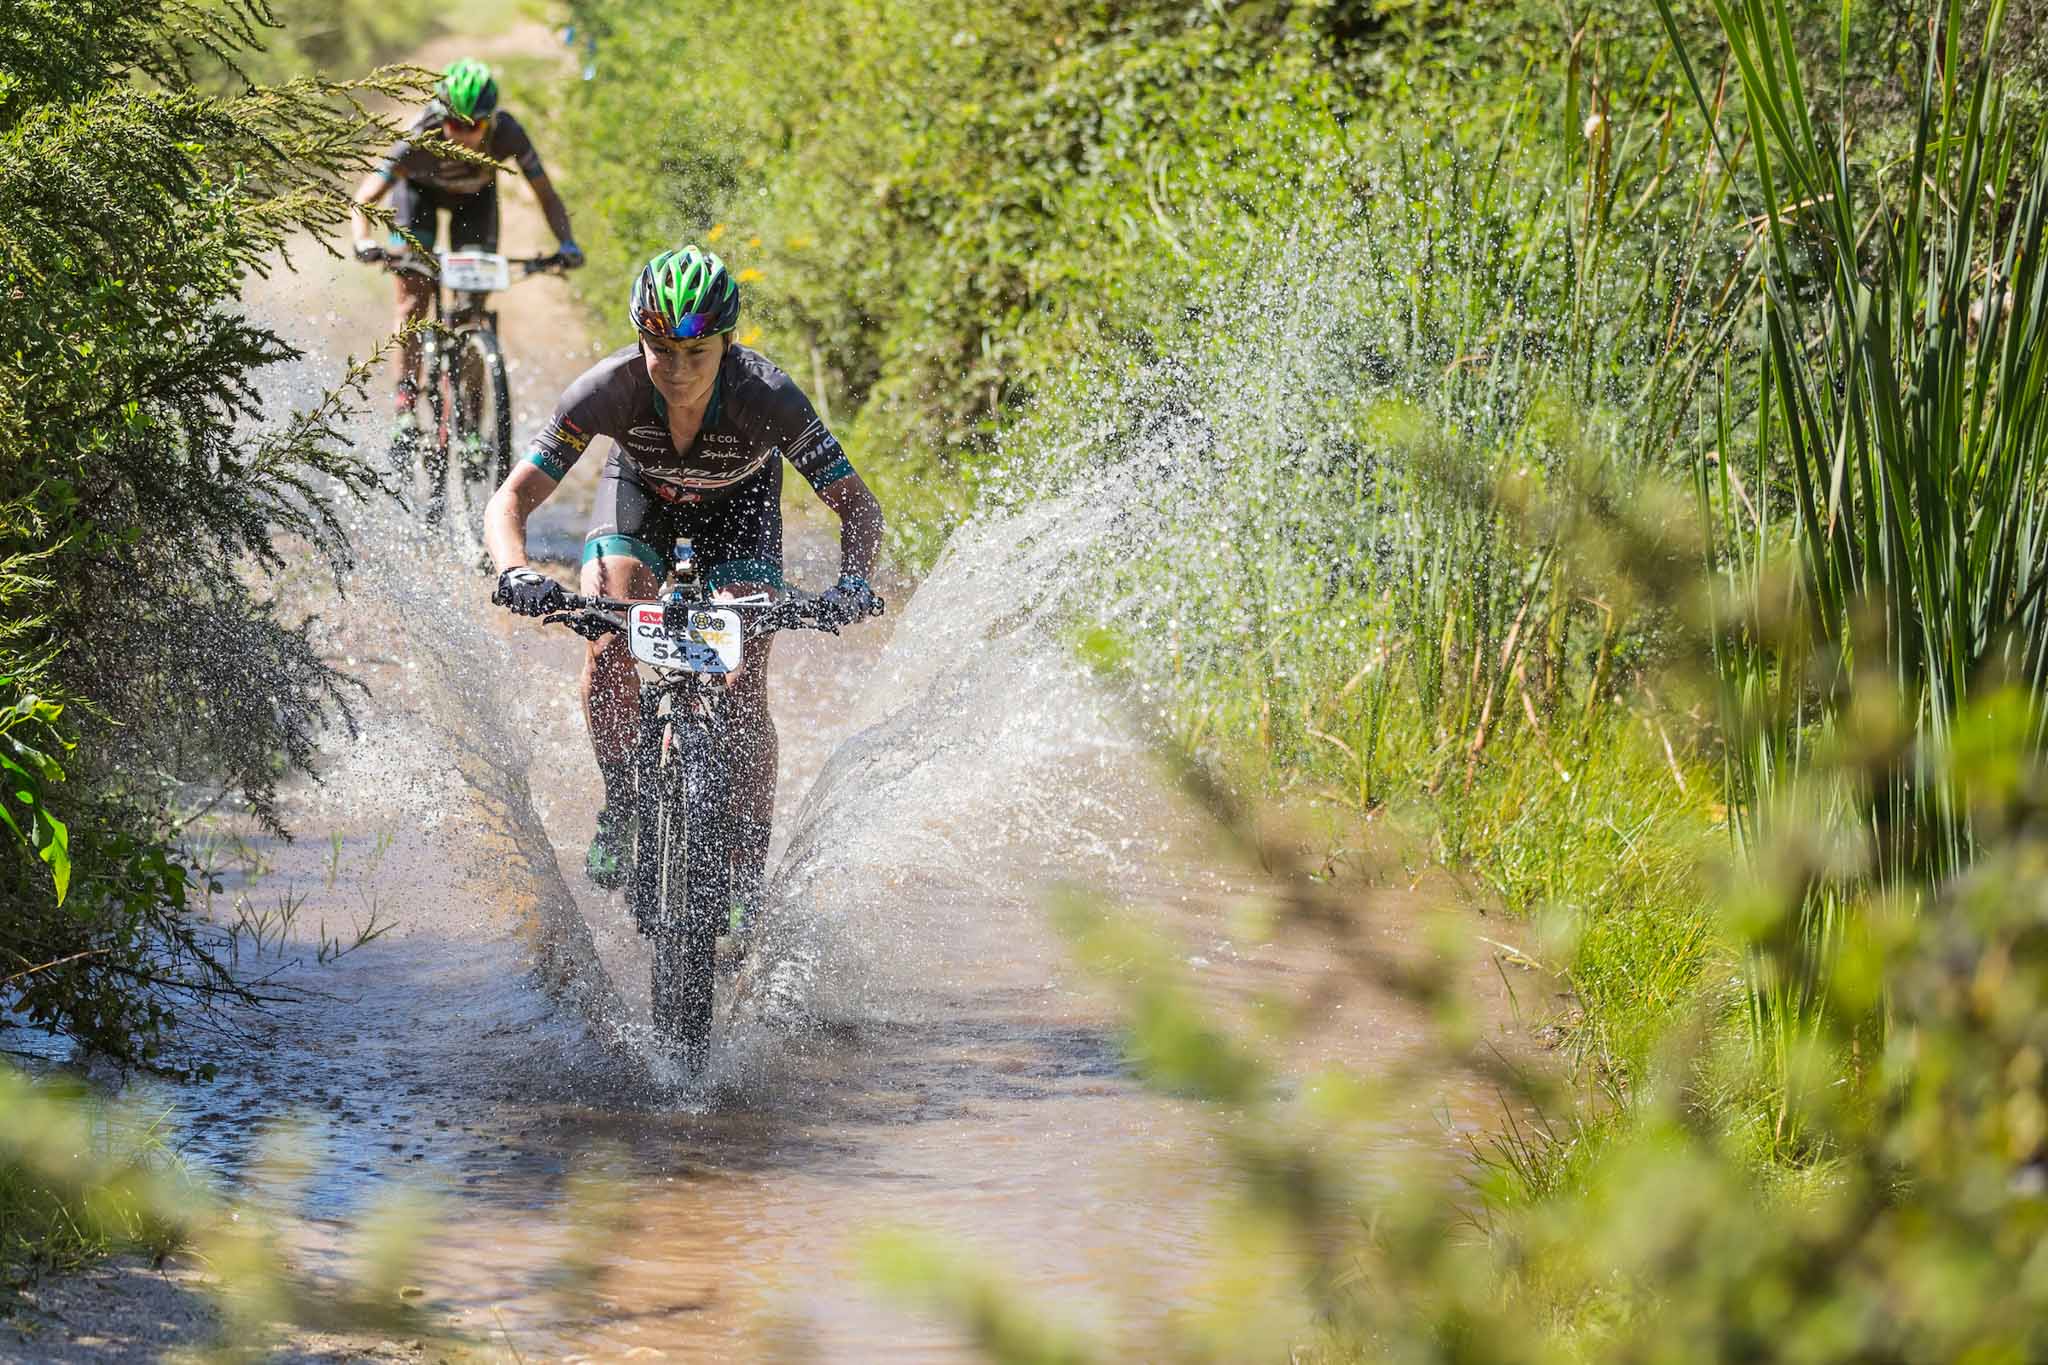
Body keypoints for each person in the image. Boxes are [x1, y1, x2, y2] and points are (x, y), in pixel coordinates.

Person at [483, 246, 886, 906]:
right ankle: (622, 803)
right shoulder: (607, 388)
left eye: (695, 354)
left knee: (743, 671)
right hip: (639, 501)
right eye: (659, 349)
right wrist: (515, 569)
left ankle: (744, 868)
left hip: (741, 511)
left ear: (727, 344)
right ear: (640, 338)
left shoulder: (770, 396)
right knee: (609, 631)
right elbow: (512, 499)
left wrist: (853, 583)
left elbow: (858, 506)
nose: (674, 369)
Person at [348, 58, 584, 454]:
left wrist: (567, 243)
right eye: (454, 124)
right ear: (442, 117)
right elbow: (365, 197)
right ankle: (406, 404)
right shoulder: (419, 137)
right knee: (413, 295)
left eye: (473, 126)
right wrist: (362, 240)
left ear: (489, 122)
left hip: (474, 203)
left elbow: (545, 193)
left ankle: (471, 422)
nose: (461, 135)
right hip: (418, 200)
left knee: (472, 311)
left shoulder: (508, 133)